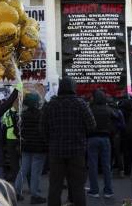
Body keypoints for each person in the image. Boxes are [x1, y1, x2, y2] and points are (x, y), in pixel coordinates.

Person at [40, 77, 96, 206]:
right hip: (77, 151)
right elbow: (92, 125)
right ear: (73, 88)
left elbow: (42, 128)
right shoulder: (81, 104)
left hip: (56, 151)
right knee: (77, 186)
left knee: (55, 186)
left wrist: (50, 142)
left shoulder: (51, 105)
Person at [14, 93, 47, 204]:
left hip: (26, 147)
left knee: (23, 170)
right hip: (39, 148)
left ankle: (16, 193)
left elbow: (16, 131)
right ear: (37, 103)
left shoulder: (21, 115)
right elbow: (45, 131)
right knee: (35, 172)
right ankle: (35, 195)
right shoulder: (42, 115)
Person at [87, 90, 115, 198]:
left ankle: (94, 190)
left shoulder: (90, 109)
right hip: (106, 138)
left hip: (92, 138)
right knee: (106, 166)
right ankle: (108, 190)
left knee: (92, 165)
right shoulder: (109, 109)